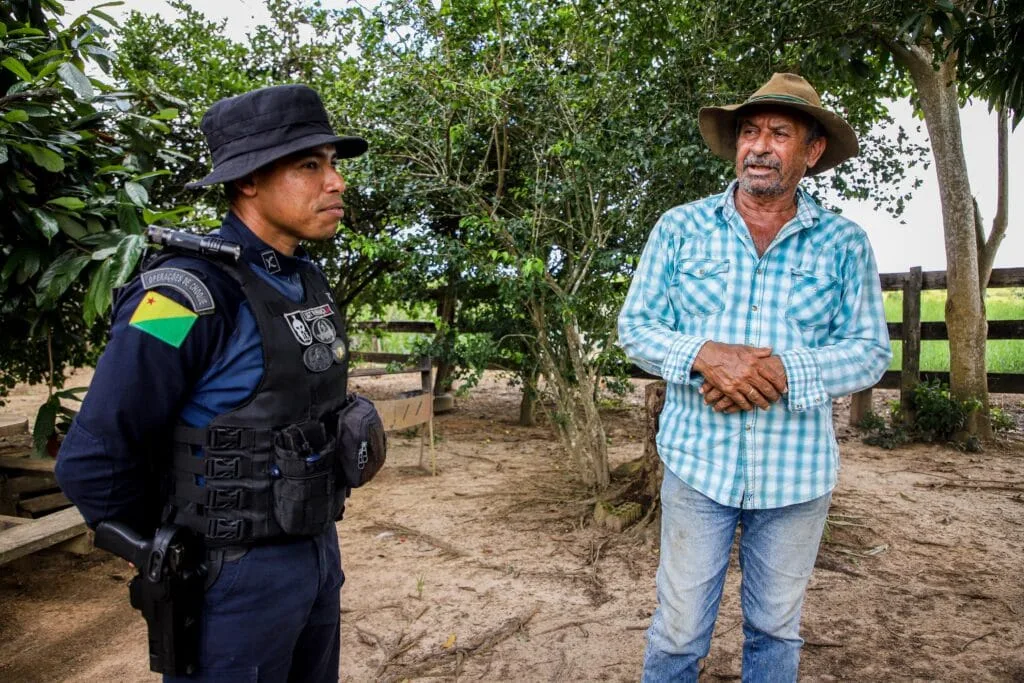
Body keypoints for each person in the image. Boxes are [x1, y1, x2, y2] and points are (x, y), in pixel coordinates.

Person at [56, 84, 368, 682]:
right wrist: (176, 543)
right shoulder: (179, 296)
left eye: (332, 163)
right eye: (310, 165)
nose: (335, 182)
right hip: (228, 576)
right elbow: (93, 458)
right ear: (248, 180)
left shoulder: (305, 281)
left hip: (316, 554)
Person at [618, 73, 892, 681]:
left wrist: (781, 370)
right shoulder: (680, 227)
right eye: (749, 132)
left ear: (812, 151)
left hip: (797, 477)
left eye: (778, 133)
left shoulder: (845, 243)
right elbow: (636, 327)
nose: (759, 146)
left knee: (775, 633)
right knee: (679, 630)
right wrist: (705, 356)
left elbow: (870, 350)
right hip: (698, 466)